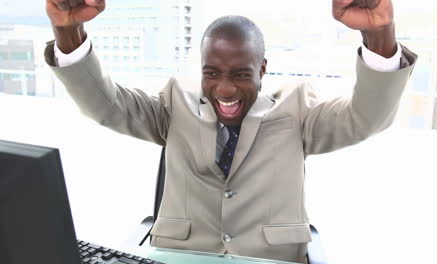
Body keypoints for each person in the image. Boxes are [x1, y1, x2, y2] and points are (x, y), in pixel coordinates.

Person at [44, 0, 417, 263]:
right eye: (212, 73)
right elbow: (107, 106)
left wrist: (380, 33)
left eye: (240, 74)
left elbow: (365, 118)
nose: (224, 90)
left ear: (262, 69)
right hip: (181, 257)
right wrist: (68, 30)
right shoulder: (175, 103)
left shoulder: (296, 109)